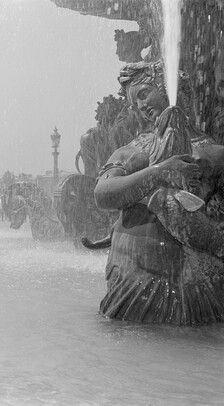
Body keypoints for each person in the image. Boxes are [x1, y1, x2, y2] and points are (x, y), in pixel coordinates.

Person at [94, 60, 224, 325]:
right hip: (130, 283)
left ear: (167, 86)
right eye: (134, 102)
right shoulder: (131, 152)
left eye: (143, 94)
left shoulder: (214, 155)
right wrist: (158, 172)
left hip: (195, 289)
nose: (140, 106)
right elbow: (103, 195)